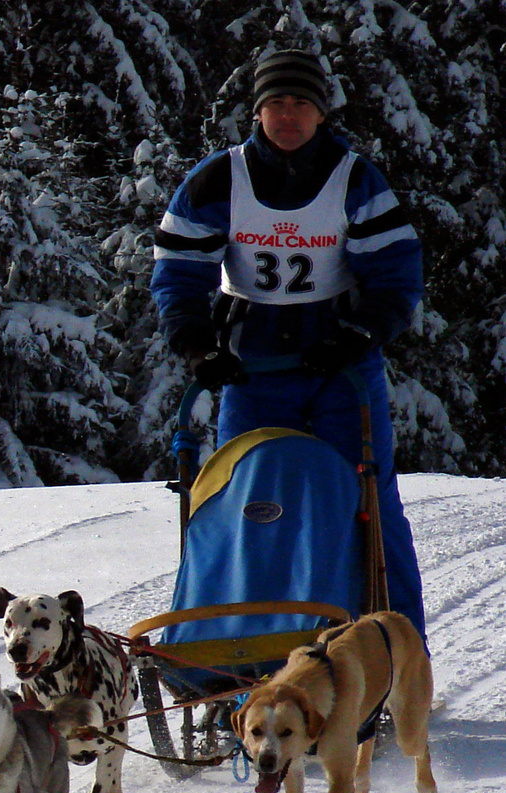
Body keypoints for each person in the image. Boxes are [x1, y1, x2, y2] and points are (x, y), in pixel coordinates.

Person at [150, 48, 427, 642]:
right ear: (257, 112)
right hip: (253, 372)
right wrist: (197, 345)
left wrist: (360, 334)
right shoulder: (216, 180)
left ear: (322, 113)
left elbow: (398, 273)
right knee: (247, 506)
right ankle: (245, 652)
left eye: (301, 102)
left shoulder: (356, 180)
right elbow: (178, 270)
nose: (288, 115)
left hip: (341, 370)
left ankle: (401, 654)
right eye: (275, 102)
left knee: (371, 509)